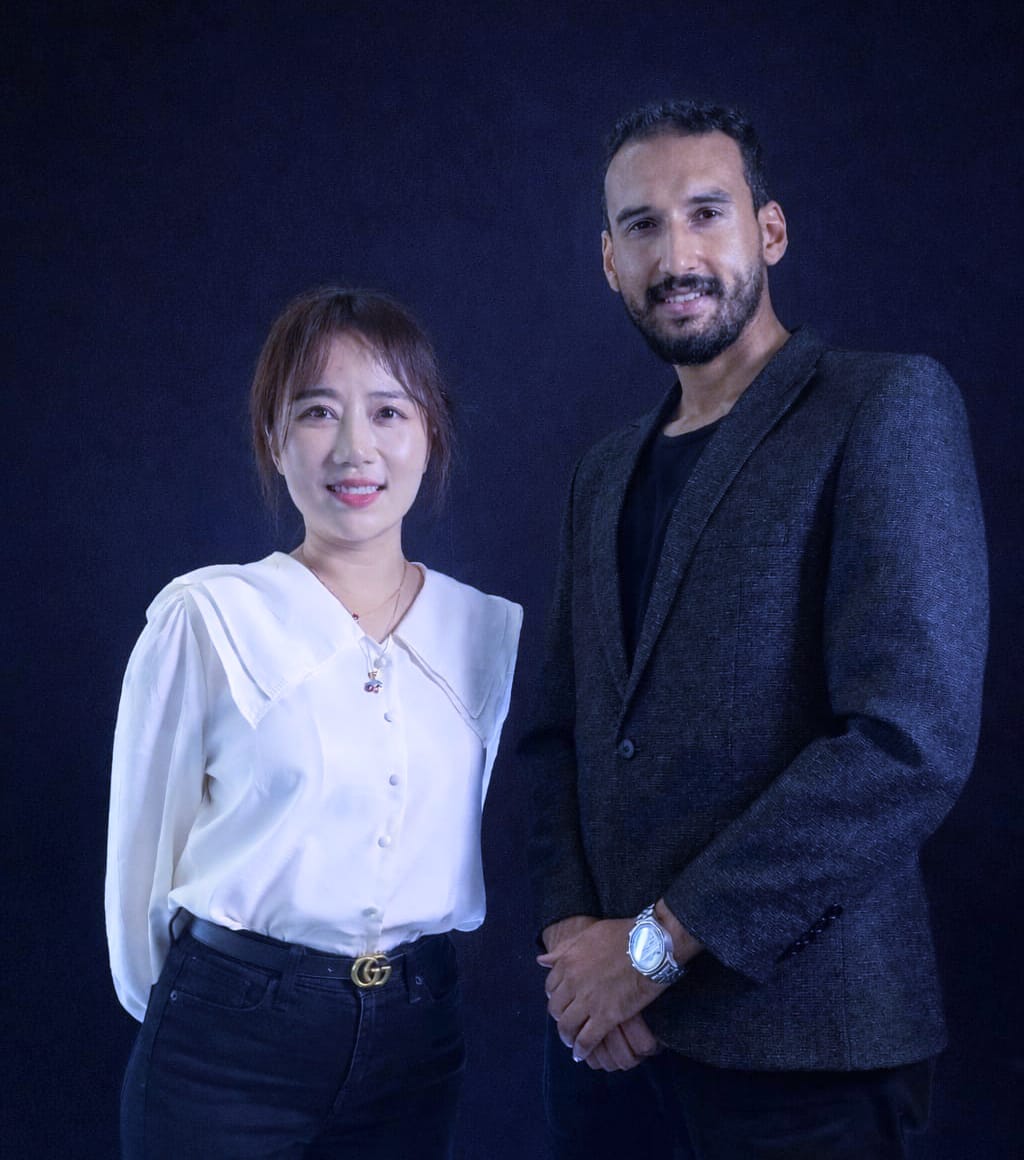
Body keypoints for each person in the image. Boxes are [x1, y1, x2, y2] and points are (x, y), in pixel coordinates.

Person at [522, 100, 988, 1160]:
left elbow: (906, 742)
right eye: (642, 225)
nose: (675, 255)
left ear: (768, 231)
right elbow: (557, 735)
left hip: (806, 1056)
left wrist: (652, 949)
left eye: (705, 213)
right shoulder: (602, 472)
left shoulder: (883, 407)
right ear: (608, 260)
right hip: (610, 1055)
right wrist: (576, 950)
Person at [106, 286, 522, 1158]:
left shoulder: (483, 630)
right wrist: (212, 1012)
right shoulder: (209, 616)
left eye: (388, 412)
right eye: (317, 412)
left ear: (430, 433)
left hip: (417, 1043)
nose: (354, 449)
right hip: (226, 1049)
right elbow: (138, 869)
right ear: (273, 438)